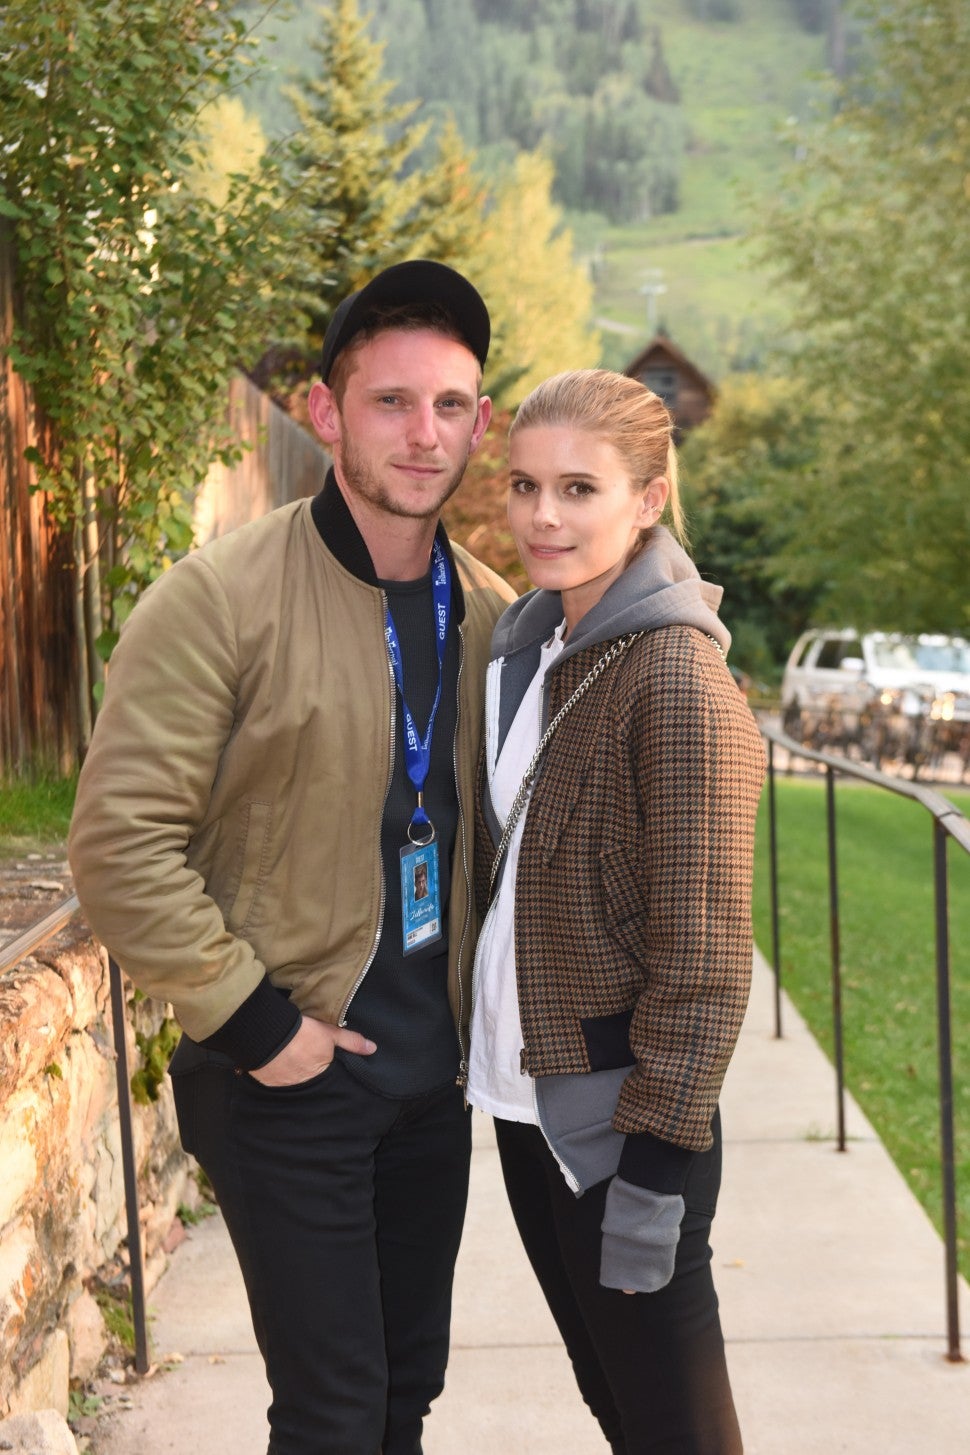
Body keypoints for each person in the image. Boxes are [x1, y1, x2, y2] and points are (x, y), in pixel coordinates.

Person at [68, 260, 515, 1455]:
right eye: (390, 402)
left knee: (402, 1397)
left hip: (429, 1082)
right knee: (331, 1414)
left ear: (480, 421)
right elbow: (118, 844)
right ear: (326, 412)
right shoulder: (219, 600)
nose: (423, 434)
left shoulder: (491, 617)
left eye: (450, 405)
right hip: (287, 1073)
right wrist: (264, 1031)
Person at [467, 369, 765, 1454]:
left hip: (624, 1130)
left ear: (648, 499)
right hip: (526, 1105)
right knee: (620, 1409)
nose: (542, 516)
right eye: (524, 485)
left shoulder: (674, 678)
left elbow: (706, 957)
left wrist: (652, 1171)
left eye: (579, 489)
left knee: (677, 1431)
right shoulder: (535, 647)